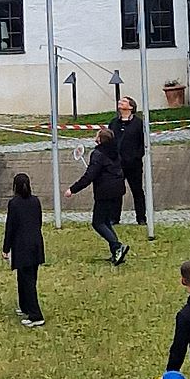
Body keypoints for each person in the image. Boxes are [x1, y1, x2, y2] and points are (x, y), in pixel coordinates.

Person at [67, 125, 129, 265]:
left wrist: (73, 189)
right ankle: (116, 252)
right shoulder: (115, 152)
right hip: (118, 190)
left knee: (97, 223)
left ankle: (117, 246)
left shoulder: (98, 154)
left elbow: (90, 175)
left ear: (100, 140)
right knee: (106, 222)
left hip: (105, 192)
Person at [1, 171, 46, 326]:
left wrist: (6, 248)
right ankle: (24, 305)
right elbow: (39, 221)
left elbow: (10, 227)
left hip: (22, 246)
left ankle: (36, 315)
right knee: (26, 276)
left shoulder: (14, 204)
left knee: (28, 282)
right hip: (35, 244)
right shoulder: (35, 201)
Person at [115, 94, 147, 224]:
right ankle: (114, 217)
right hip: (117, 164)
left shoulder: (138, 123)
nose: (120, 102)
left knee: (137, 191)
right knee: (116, 192)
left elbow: (142, 142)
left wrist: (136, 156)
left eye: (124, 101)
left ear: (131, 107)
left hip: (133, 164)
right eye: (120, 101)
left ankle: (141, 218)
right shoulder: (114, 123)